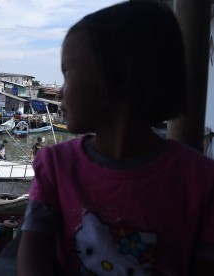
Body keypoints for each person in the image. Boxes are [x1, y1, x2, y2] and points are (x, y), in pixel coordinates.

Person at [17, 1, 214, 275]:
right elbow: (33, 256)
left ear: (118, 75)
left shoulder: (201, 180)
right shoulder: (54, 165)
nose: (59, 94)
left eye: (67, 73)